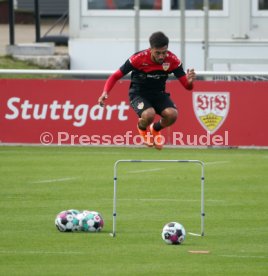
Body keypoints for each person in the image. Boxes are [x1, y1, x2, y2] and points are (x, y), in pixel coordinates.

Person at [98, 31, 196, 149]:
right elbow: (115, 76)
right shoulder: (138, 59)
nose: (161, 56)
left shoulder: (173, 60)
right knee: (149, 114)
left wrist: (190, 82)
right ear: (150, 49)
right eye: (157, 53)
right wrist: (105, 92)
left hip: (158, 94)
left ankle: (155, 129)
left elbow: (187, 86)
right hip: (138, 93)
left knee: (172, 115)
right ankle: (142, 128)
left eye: (164, 53)